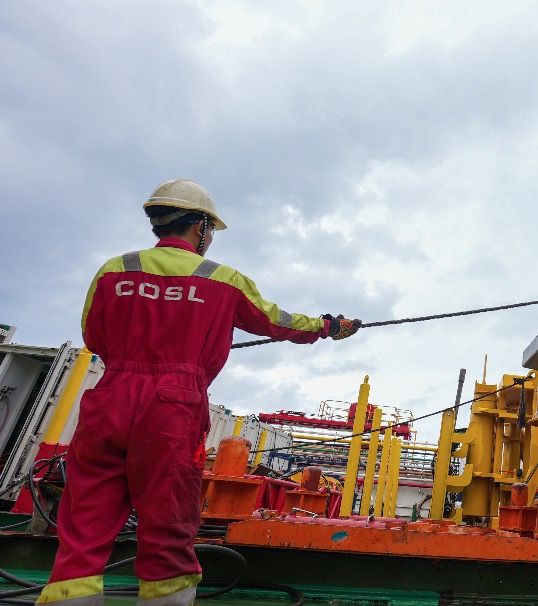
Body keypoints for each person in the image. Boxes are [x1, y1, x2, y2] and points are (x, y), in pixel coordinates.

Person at [37, 179, 359, 606]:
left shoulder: (115, 268)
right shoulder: (222, 278)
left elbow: (93, 336)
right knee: (167, 517)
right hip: (172, 404)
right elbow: (276, 321)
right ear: (201, 227)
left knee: (85, 519)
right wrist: (329, 326)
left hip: (110, 396)